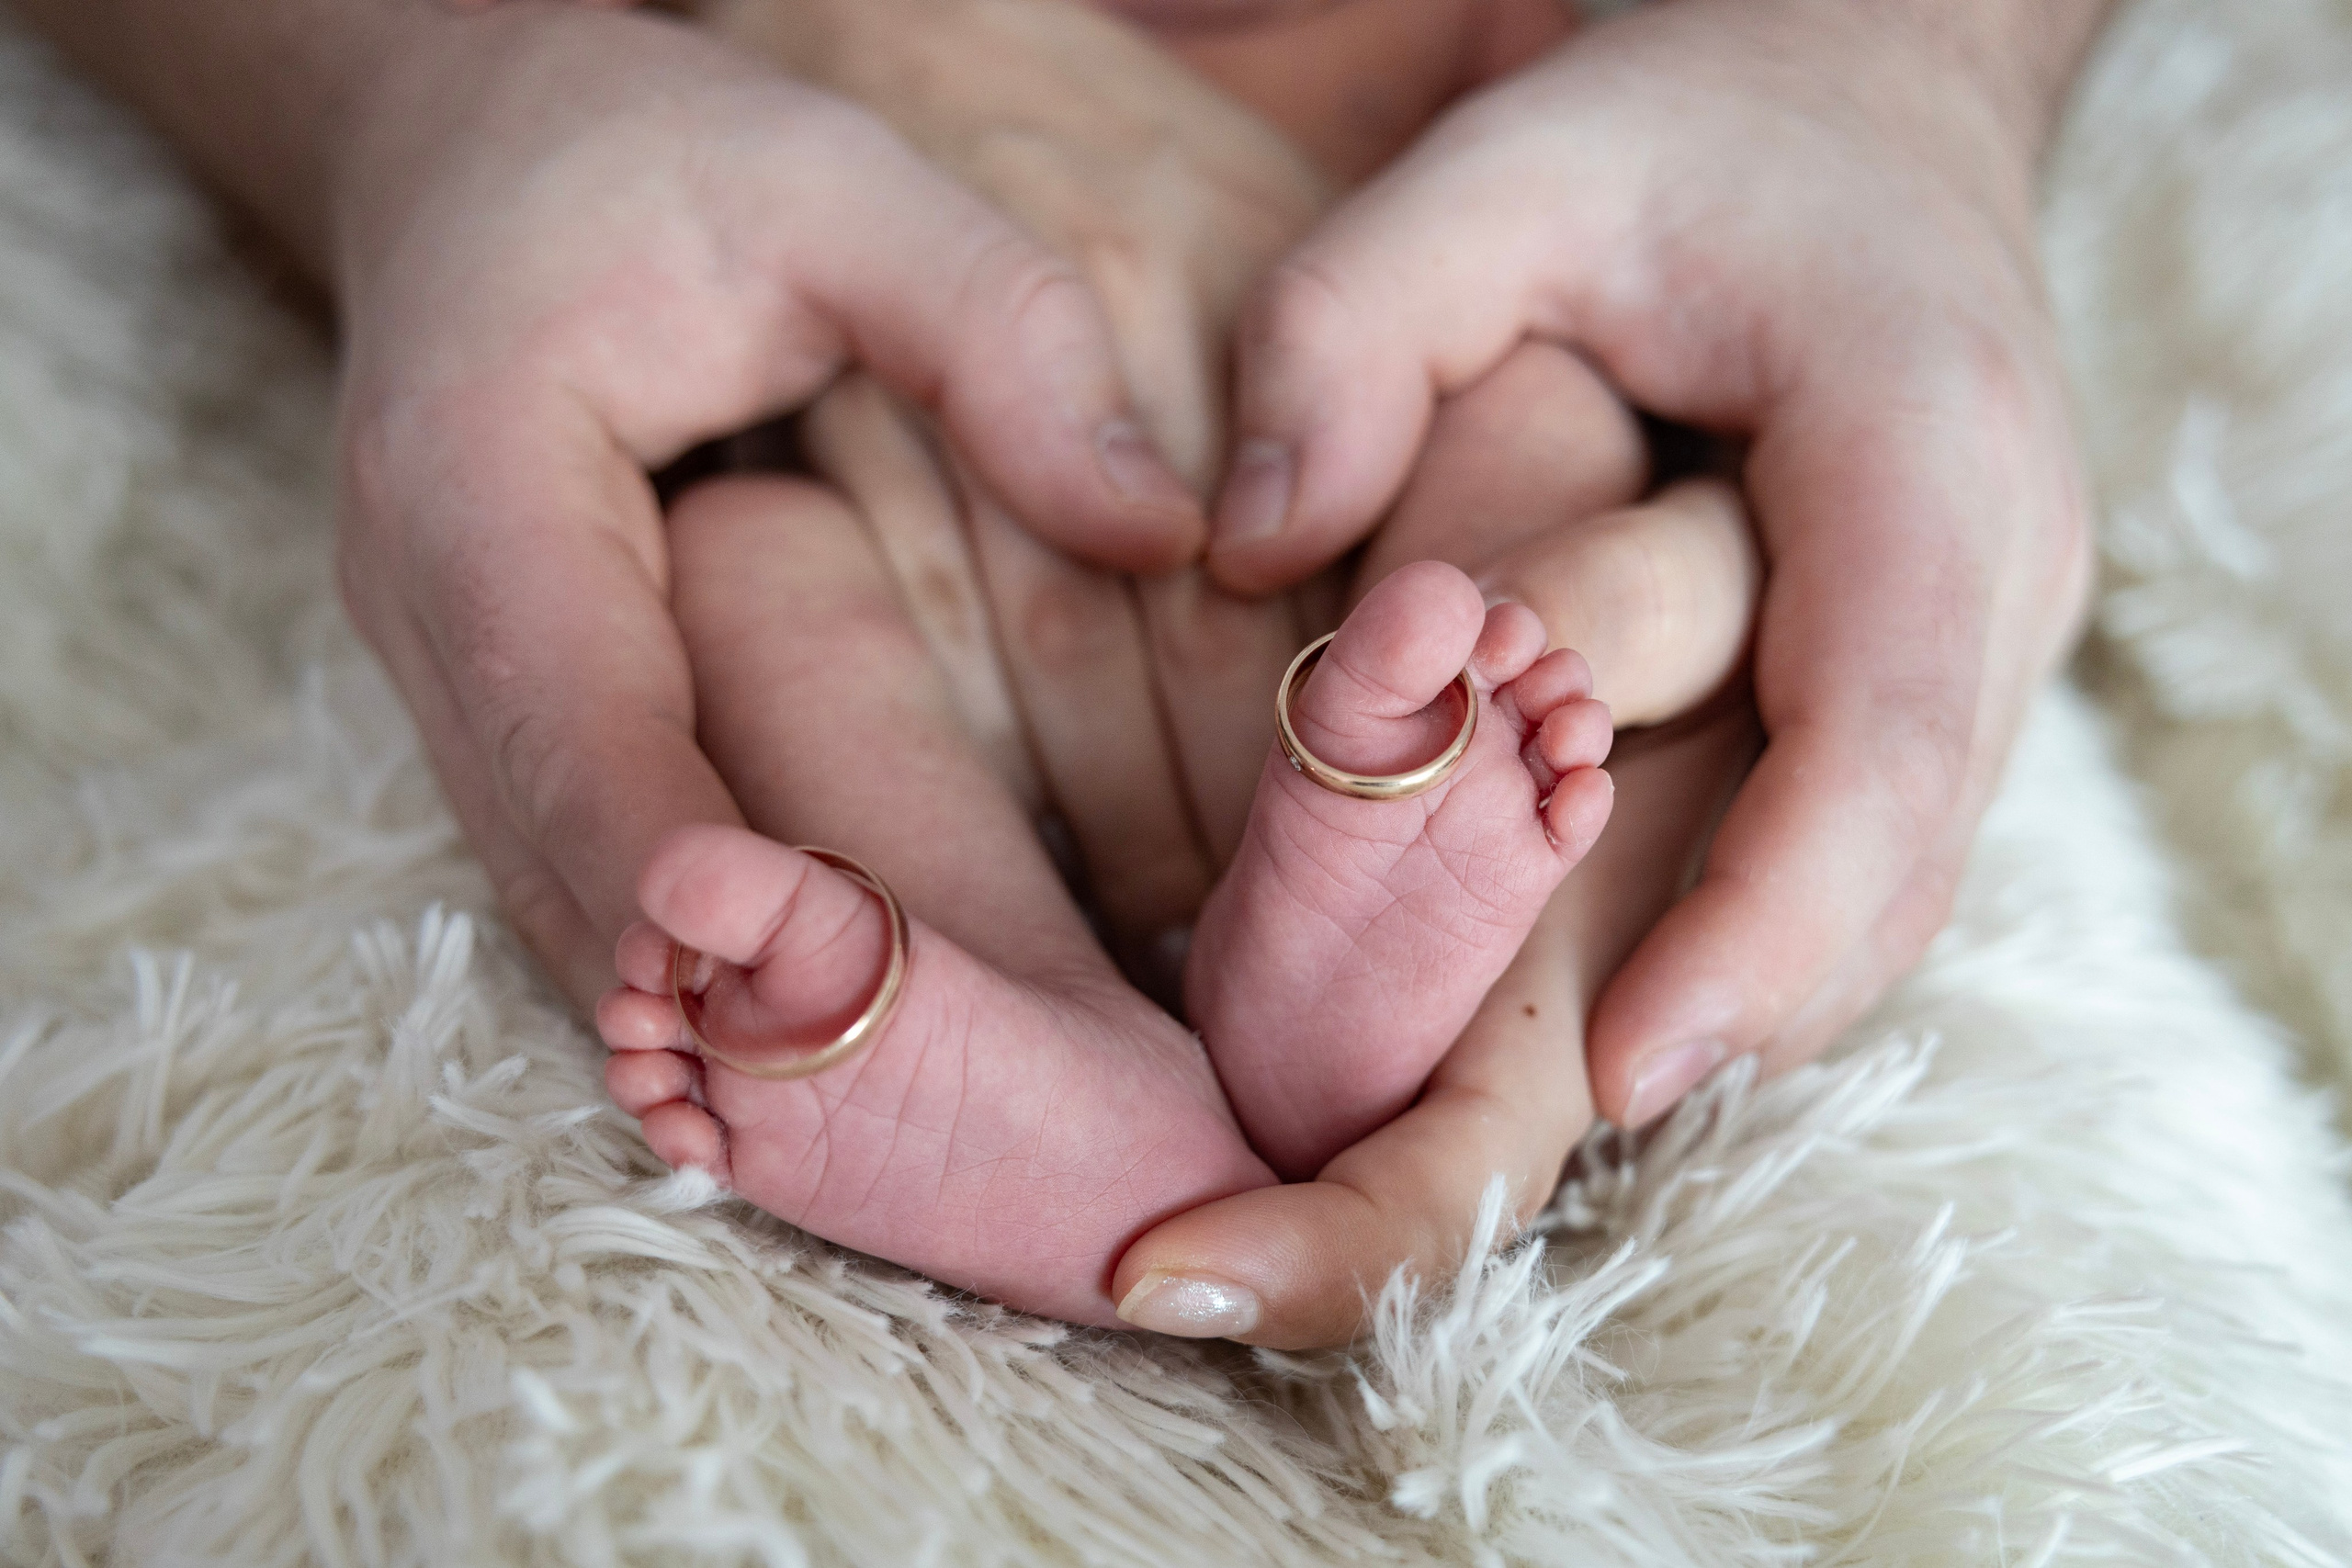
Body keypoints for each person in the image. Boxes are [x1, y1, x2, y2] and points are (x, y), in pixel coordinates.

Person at [18, 0, 2107, 1348]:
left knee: (1535, 453)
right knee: (749, 576)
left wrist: (1871, 63)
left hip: (1429, 283)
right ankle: (1019, 1026)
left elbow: (1697, 204)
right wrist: (441, 82)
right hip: (805, 309)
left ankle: (1381, 848)